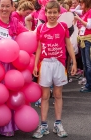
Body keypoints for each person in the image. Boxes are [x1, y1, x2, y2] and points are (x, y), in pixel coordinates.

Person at [0, 0, 28, 138]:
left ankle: (8, 125)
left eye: (8, 6)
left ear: (13, 7)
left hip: (10, 68)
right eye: (3, 6)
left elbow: (28, 37)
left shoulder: (15, 22)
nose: (5, 8)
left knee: (8, 95)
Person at [32, 1, 77, 138]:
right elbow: (38, 47)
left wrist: (74, 62)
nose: (52, 15)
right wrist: (35, 65)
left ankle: (58, 124)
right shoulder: (41, 28)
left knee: (58, 95)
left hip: (59, 64)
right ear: (45, 13)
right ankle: (44, 125)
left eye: (54, 12)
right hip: (45, 64)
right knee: (44, 96)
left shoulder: (63, 27)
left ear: (59, 13)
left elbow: (69, 45)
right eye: (49, 12)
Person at [74, 0, 91, 92]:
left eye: (82, 3)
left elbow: (89, 26)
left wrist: (79, 19)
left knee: (88, 64)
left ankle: (89, 85)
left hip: (88, 40)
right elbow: (74, 11)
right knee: (85, 64)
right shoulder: (85, 12)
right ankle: (88, 84)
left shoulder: (90, 12)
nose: (80, 5)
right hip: (84, 40)